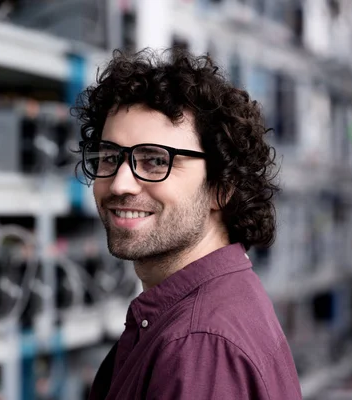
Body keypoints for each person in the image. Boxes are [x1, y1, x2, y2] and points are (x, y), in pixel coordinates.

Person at [73, 48, 302, 400]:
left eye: (154, 161)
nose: (119, 184)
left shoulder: (200, 347)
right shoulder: (204, 313)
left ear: (222, 188)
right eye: (109, 157)